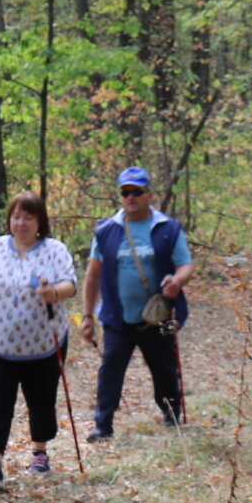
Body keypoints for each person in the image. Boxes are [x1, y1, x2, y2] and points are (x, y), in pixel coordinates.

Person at [0, 192, 77, 490]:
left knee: (42, 400)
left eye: (28, 217)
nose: (21, 223)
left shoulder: (55, 250)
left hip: (44, 344)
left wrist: (54, 293)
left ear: (39, 222)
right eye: (16, 217)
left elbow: (70, 285)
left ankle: (40, 452)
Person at [79, 166, 194, 441]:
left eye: (137, 192)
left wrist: (177, 281)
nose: (131, 197)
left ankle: (171, 415)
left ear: (149, 194)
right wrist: (87, 316)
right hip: (117, 317)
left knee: (164, 369)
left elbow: (186, 265)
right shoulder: (107, 231)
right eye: (125, 192)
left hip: (157, 316)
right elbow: (93, 275)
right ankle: (102, 426)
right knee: (111, 370)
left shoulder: (167, 228)